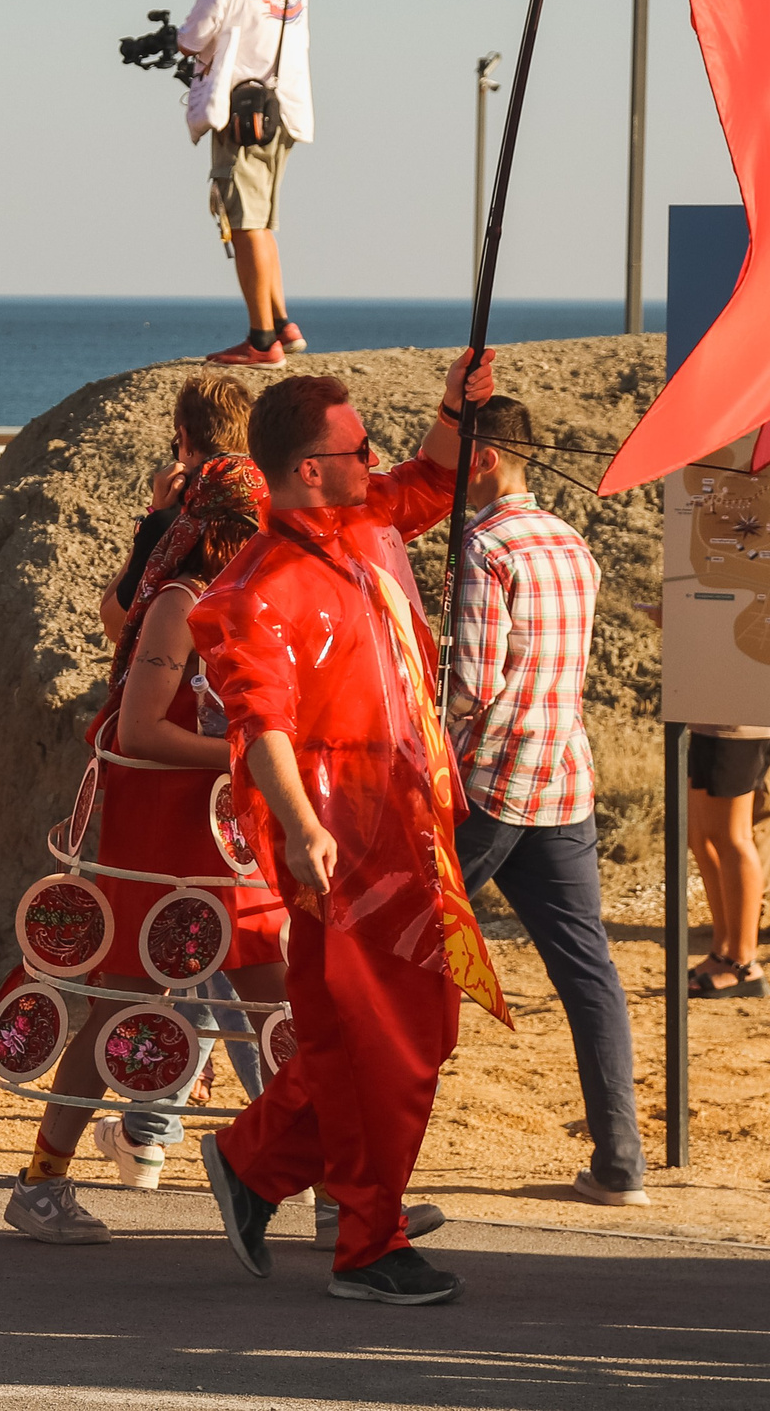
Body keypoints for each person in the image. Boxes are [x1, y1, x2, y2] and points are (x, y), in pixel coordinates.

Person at [188, 349, 508, 1308]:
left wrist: (457, 406)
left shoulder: (365, 518)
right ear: (309, 468)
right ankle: (369, 1244)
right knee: (391, 1043)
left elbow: (435, 478)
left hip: (409, 829)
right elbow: (262, 727)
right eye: (357, 447)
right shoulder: (252, 591)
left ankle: (255, 1161)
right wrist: (299, 826)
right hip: (345, 849)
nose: (375, 460)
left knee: (373, 1038)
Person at [5, 452, 290, 1245]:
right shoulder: (179, 603)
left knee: (282, 1004)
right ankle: (42, 1180)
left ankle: (338, 1186)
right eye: (256, 531)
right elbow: (139, 730)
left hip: (227, 837)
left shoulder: (244, 600)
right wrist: (245, 756)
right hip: (164, 834)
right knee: (120, 1006)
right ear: (226, 534)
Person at [446, 396, 650, 1205]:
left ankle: (344, 1150)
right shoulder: (572, 543)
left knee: (400, 948)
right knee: (587, 968)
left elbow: (472, 687)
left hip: (490, 780)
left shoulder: (485, 546)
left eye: (463, 458)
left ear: (487, 458)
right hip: (562, 775)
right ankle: (620, 1162)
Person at [176, 0, 312, 368]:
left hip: (242, 114)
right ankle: (282, 324)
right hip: (285, 111)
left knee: (244, 221)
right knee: (264, 222)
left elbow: (194, 37)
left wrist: (179, 41)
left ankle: (261, 342)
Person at [102, 377, 253, 645]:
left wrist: (153, 520)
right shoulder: (275, 511)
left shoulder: (170, 525)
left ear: (184, 438)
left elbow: (115, 624)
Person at [685, 724, 767, 997]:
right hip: (709, 719)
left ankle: (743, 964)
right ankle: (722, 951)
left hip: (742, 725)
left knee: (732, 836)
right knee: (701, 837)